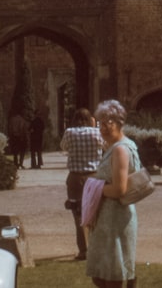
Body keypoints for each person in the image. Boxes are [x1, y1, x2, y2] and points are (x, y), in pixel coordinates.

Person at [86, 100, 141, 288]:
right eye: (100, 123)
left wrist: (94, 186)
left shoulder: (120, 150)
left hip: (115, 221)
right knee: (101, 276)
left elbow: (119, 189)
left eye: (107, 123)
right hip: (109, 221)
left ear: (119, 122)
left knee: (112, 278)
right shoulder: (118, 146)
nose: (102, 128)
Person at [60, 108, 103, 260]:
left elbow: (64, 148)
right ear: (90, 119)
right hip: (94, 176)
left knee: (78, 215)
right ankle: (97, 247)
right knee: (96, 213)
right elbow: (104, 146)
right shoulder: (97, 133)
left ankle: (84, 250)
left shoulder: (69, 133)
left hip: (75, 178)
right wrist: (94, 126)